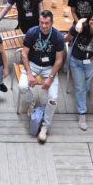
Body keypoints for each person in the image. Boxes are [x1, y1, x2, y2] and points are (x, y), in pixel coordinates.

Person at [19, 11, 66, 144]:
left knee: (53, 98)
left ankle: (45, 126)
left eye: (47, 23)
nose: (44, 26)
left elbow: (59, 60)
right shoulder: (32, 32)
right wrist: (29, 73)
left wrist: (50, 77)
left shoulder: (58, 37)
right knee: (22, 86)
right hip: (33, 64)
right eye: (41, 23)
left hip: (49, 67)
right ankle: (31, 102)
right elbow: (24, 54)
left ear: (52, 23)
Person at [68, 11, 93, 131]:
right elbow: (69, 37)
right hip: (76, 61)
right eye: (92, 20)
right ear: (88, 20)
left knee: (86, 82)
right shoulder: (80, 28)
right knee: (80, 87)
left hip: (91, 62)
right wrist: (79, 22)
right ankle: (82, 113)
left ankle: (83, 93)